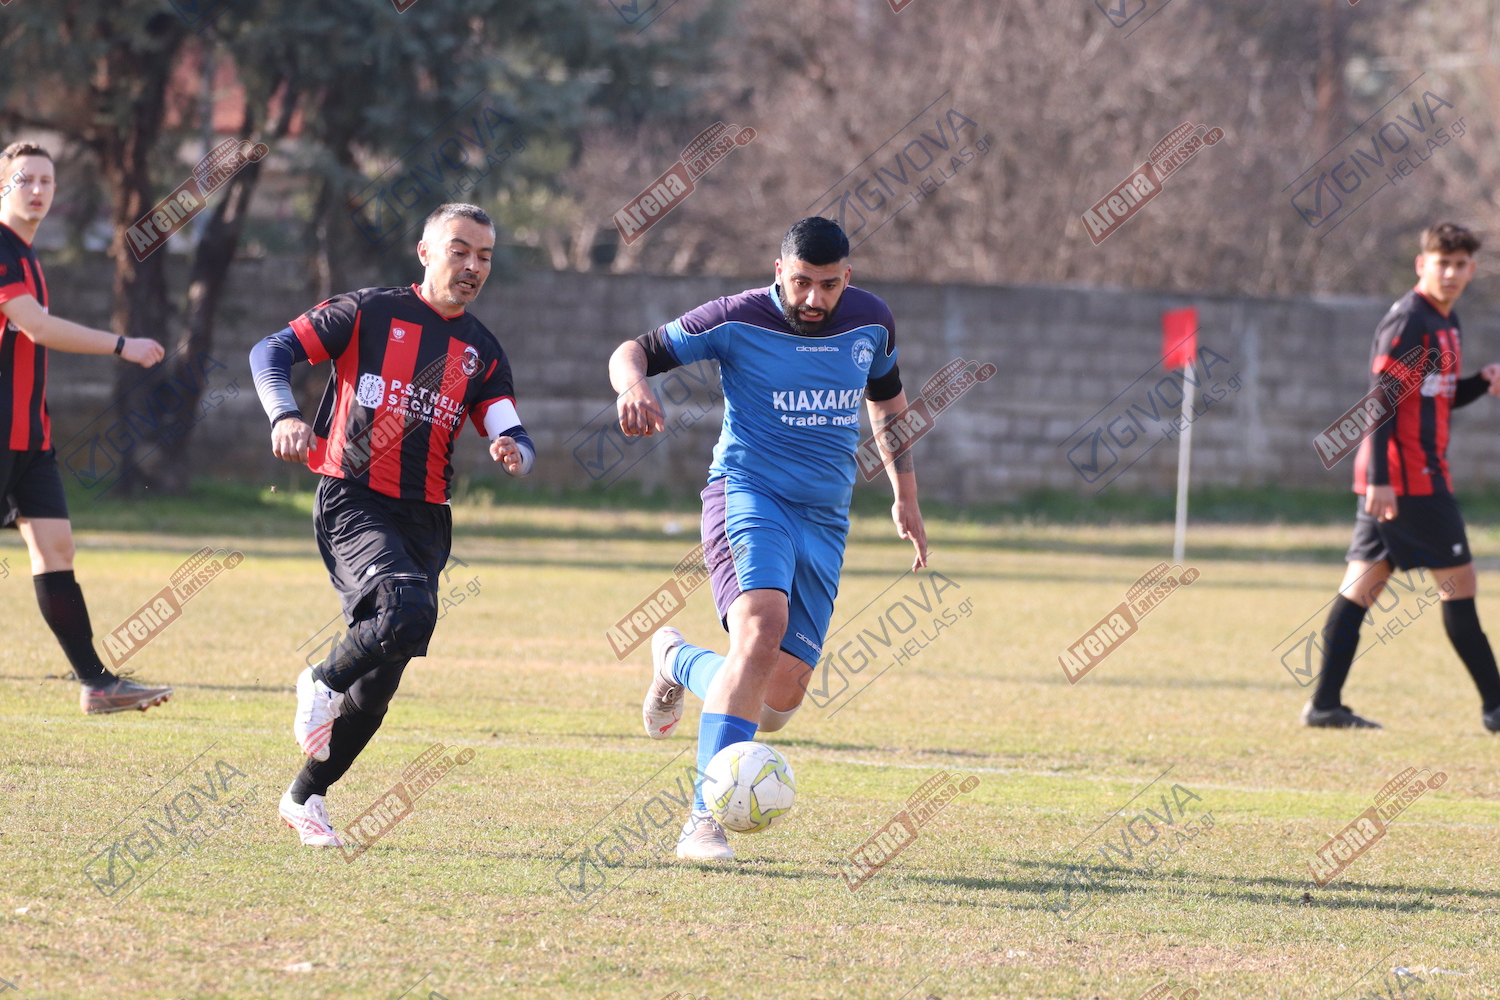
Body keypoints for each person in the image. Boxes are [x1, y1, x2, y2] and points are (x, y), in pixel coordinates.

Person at [609, 216, 928, 860]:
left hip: (825, 518)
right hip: (748, 494)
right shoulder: (737, 316)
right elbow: (632, 350)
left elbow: (888, 402)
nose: (814, 298)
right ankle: (703, 820)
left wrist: (907, 496)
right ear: (779, 270)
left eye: (829, 286)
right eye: (802, 282)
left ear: (848, 279)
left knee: (777, 702)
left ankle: (676, 660)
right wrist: (634, 385)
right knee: (760, 629)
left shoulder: (872, 321)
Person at [249, 203, 534, 846]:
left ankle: (304, 797)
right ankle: (320, 681)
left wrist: (514, 447)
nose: (473, 266)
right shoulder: (369, 312)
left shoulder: (482, 350)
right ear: (425, 252)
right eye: (460, 250)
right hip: (353, 496)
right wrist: (283, 415)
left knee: (381, 680)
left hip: (427, 518)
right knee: (407, 610)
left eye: (485, 256)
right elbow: (271, 350)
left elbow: (509, 424)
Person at [0, 141, 174, 714]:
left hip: (30, 438)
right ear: (2, 185)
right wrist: (122, 345)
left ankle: (97, 684)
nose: (37, 190)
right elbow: (37, 328)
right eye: (24, 179)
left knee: (57, 549)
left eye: (46, 181)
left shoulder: (27, 255)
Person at [1305, 221, 1500, 731]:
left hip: (1407, 477)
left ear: (1472, 270)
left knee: (1360, 588)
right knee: (1459, 583)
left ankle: (1324, 706)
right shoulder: (1409, 321)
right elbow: (1380, 402)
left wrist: (1481, 383)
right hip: (1409, 481)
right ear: (1422, 264)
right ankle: (1496, 707)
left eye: (1460, 265)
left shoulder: (1446, 320)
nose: (1451, 273)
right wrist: (1380, 480)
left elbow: (1438, 395)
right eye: (1442, 263)